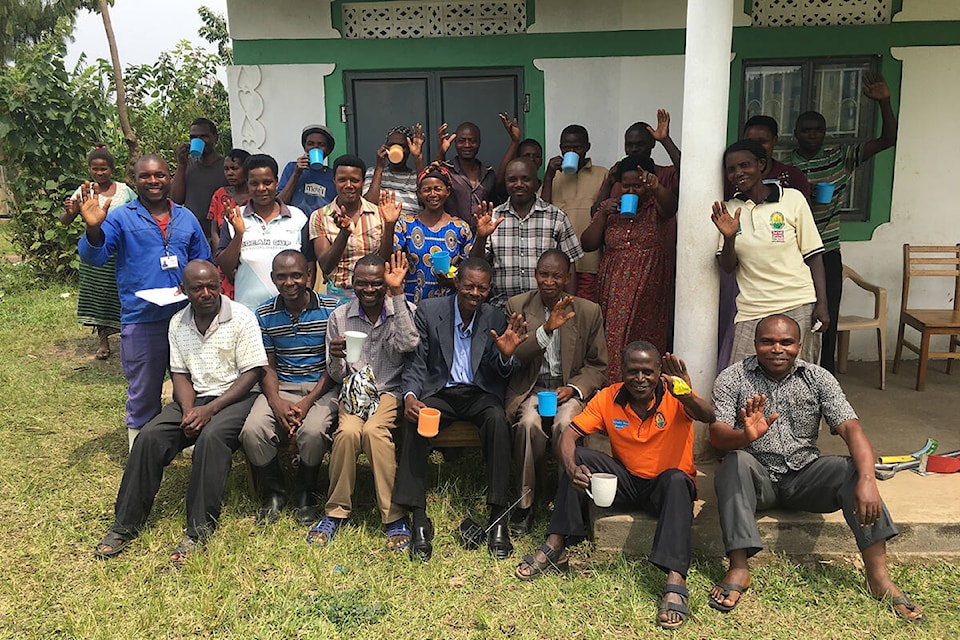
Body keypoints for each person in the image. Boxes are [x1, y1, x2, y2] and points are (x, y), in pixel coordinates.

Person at [709, 314, 925, 623]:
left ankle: (879, 579)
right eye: (767, 342)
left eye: (786, 342)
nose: (776, 349)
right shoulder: (733, 378)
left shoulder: (818, 377)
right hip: (756, 479)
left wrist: (866, 480)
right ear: (755, 344)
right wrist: (745, 435)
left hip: (804, 476)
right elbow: (716, 435)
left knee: (852, 469)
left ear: (799, 344)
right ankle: (739, 568)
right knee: (733, 462)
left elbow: (851, 429)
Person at [515, 342, 715, 631]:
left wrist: (685, 393)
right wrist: (572, 468)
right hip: (627, 481)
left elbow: (708, 416)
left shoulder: (676, 393)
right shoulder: (609, 397)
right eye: (633, 371)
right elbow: (569, 435)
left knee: (677, 479)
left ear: (660, 372)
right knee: (578, 457)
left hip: (665, 488)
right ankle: (556, 543)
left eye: (648, 371)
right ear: (621, 371)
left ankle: (675, 579)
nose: (641, 378)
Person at [92, 260, 267, 563]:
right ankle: (125, 525)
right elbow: (180, 375)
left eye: (212, 285)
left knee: (211, 438)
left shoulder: (241, 317)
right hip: (194, 399)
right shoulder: (177, 323)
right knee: (149, 437)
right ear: (183, 290)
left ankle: (199, 531)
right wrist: (188, 411)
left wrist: (208, 411)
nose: (207, 292)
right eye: (197, 288)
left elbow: (251, 374)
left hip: (237, 399)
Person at [391, 257, 527, 561]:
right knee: (415, 420)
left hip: (479, 393)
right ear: (457, 284)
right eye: (469, 286)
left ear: (489, 289)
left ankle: (497, 518)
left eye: (482, 288)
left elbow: (500, 367)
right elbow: (417, 361)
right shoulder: (429, 310)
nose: (475, 293)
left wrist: (505, 357)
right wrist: (411, 396)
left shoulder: (494, 317)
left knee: (497, 420)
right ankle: (419, 518)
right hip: (442, 390)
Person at [78, 155, 211, 450]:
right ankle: (141, 449)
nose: (153, 181)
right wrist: (93, 229)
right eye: (145, 176)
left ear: (170, 178)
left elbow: (203, 260)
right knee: (144, 388)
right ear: (134, 180)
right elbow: (95, 257)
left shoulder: (186, 217)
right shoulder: (120, 217)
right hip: (142, 318)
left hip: (186, 318)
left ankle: (187, 441)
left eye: (160, 175)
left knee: (191, 384)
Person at [307, 252, 419, 549]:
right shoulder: (339, 317)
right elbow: (335, 373)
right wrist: (335, 355)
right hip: (353, 391)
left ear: (385, 283)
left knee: (374, 432)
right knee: (346, 433)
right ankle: (336, 511)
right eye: (362, 284)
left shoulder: (403, 308)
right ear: (352, 284)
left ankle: (393, 516)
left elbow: (409, 345)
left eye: (376, 284)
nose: (369, 290)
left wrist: (397, 295)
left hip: (388, 392)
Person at [790, 72, 898, 373]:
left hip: (828, 251)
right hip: (792, 253)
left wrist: (884, 102)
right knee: (793, 317)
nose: (813, 134)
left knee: (827, 319)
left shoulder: (842, 157)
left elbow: (888, 139)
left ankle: (824, 377)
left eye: (819, 130)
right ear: (796, 133)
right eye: (807, 130)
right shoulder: (786, 166)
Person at [504, 249, 608, 535]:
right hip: (532, 390)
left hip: (568, 391)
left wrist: (574, 388)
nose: (548, 282)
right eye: (543, 274)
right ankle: (526, 504)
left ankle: (570, 505)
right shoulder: (518, 306)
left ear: (567, 277)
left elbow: (598, 365)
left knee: (566, 425)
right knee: (527, 426)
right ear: (536, 274)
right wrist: (546, 330)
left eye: (556, 276)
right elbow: (516, 356)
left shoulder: (588, 311)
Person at [239, 250, 340, 525]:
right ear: (273, 279)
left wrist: (307, 403)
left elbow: (333, 367)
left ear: (309, 276)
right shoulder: (264, 314)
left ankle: (306, 492)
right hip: (281, 385)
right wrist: (276, 402)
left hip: (322, 385)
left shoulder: (332, 310)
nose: (289, 282)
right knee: (252, 430)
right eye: (282, 277)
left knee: (314, 430)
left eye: (296, 275)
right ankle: (276, 492)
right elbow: (267, 366)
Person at [711, 139, 828, 369]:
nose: (738, 173)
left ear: (761, 165)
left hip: (798, 302)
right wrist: (729, 237)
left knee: (800, 376)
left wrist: (822, 303)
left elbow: (814, 255)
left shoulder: (792, 199)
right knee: (742, 377)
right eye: (731, 169)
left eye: (745, 165)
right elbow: (727, 266)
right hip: (752, 307)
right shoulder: (729, 209)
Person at [582, 155, 677, 383]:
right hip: (613, 290)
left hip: (649, 288)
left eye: (638, 185)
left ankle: (646, 394)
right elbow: (588, 243)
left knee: (645, 343)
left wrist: (656, 187)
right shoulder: (609, 208)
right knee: (612, 344)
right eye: (627, 185)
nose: (632, 190)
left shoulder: (657, 208)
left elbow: (671, 206)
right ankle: (613, 395)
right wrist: (604, 214)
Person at [470, 158, 583, 309]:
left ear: (537, 182)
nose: (518, 184)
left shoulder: (556, 217)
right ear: (505, 183)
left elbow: (570, 266)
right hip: (502, 309)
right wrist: (481, 237)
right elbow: (476, 265)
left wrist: (568, 305)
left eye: (525, 179)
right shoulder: (493, 218)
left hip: (546, 310)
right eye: (512, 179)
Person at [62, 145, 137, 359]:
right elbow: (65, 221)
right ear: (90, 169)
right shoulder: (84, 192)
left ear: (112, 169)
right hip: (94, 252)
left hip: (119, 253)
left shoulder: (125, 191)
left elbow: (136, 216)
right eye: (95, 169)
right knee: (99, 296)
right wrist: (72, 212)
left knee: (120, 294)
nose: (99, 173)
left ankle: (128, 336)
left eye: (104, 169)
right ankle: (103, 340)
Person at [215, 154, 316, 311]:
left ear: (276, 182)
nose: (261, 188)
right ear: (247, 184)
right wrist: (239, 234)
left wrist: (306, 303)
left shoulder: (298, 217)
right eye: (254, 183)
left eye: (267, 182)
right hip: (249, 312)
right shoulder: (235, 217)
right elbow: (227, 268)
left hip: (290, 312)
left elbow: (309, 262)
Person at [379, 162, 473, 304]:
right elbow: (386, 259)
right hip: (412, 304)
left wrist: (452, 281)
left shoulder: (460, 227)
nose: (433, 194)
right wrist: (389, 224)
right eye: (427, 190)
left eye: (438, 189)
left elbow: (470, 268)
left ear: (447, 191)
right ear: (419, 194)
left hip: (449, 305)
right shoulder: (406, 224)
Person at [539, 125, 609, 302]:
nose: (571, 152)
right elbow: (543, 210)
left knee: (584, 311)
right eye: (565, 148)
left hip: (589, 262)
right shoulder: (553, 176)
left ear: (587, 147)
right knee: (558, 312)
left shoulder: (602, 174)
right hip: (557, 265)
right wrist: (548, 176)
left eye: (576, 147)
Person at [309, 155, 386, 304]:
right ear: (334, 181)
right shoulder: (320, 216)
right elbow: (325, 265)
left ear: (363, 182)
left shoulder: (379, 214)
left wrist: (389, 225)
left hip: (375, 295)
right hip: (339, 296)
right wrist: (343, 234)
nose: (348, 185)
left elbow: (384, 259)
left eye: (355, 180)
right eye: (342, 179)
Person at [172, 117, 228, 239]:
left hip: (220, 234)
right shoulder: (187, 165)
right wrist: (181, 165)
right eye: (193, 137)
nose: (198, 140)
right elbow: (175, 200)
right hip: (193, 233)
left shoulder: (227, 167)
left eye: (204, 136)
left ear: (215, 138)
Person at [207, 148, 251, 299]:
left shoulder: (256, 197)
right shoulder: (220, 195)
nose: (230, 173)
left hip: (248, 258)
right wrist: (222, 260)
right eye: (226, 169)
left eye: (234, 168)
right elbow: (214, 231)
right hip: (224, 259)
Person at [436, 121, 499, 227]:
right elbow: (430, 181)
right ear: (455, 143)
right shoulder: (446, 170)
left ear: (479, 143)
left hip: (482, 237)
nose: (467, 145)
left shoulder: (488, 174)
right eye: (461, 141)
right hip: (451, 235)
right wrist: (441, 152)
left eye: (472, 141)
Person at [362, 124, 426, 214]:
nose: (395, 150)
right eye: (391, 145)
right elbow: (369, 204)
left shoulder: (416, 176)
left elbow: (427, 202)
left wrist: (417, 157)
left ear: (409, 149)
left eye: (402, 146)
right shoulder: (373, 173)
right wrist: (379, 167)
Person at [278, 124, 338, 215]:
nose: (315, 147)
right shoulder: (292, 168)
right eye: (310, 144)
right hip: (295, 225)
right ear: (305, 147)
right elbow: (280, 203)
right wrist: (296, 174)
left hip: (322, 225)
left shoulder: (333, 175)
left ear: (328, 150)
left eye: (321, 145)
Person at [494, 113, 544, 192]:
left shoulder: (545, 186)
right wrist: (515, 141)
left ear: (541, 161)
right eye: (526, 156)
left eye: (536, 156)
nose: (531, 159)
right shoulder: (514, 186)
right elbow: (500, 181)